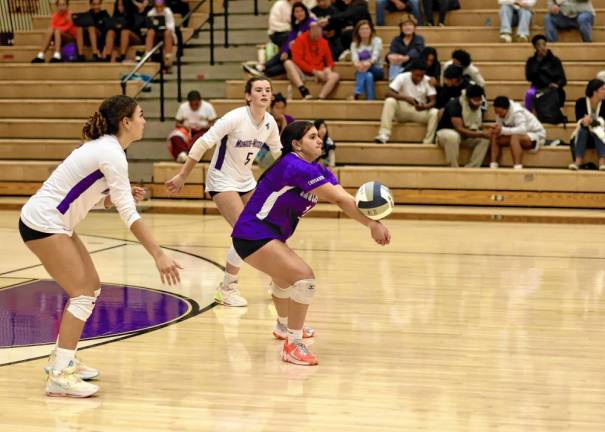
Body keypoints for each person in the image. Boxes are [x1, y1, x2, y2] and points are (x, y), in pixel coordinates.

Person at [19, 95, 181, 398]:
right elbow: (128, 214)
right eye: (141, 115)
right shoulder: (111, 153)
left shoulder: (107, 149)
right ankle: (59, 375)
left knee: (91, 288)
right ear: (126, 122)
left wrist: (111, 196)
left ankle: (62, 357)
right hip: (43, 223)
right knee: (81, 295)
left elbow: (84, 194)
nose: (145, 121)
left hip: (54, 222)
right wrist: (158, 254)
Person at [231, 120, 391, 365]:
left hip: (267, 235)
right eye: (312, 136)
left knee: (283, 280)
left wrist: (371, 217)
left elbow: (344, 197)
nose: (319, 140)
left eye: (319, 136)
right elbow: (338, 199)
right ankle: (293, 344)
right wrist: (371, 224)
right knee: (304, 279)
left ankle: (284, 327)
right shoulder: (295, 166)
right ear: (296, 144)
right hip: (253, 233)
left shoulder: (318, 169)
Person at [165, 77, 283, 308]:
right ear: (248, 96)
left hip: (246, 181)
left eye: (268, 90)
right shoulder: (235, 118)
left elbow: (280, 156)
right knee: (245, 230)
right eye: (258, 90)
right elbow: (202, 143)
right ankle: (227, 288)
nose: (264, 93)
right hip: (222, 180)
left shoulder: (270, 123)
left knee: (268, 227)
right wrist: (183, 175)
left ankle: (274, 279)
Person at [375, 60, 438, 144]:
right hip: (403, 110)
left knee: (435, 112)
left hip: (419, 111)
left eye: (422, 75)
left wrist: (425, 106)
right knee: (390, 101)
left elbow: (433, 101)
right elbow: (388, 93)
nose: (419, 78)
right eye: (417, 75)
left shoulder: (427, 80)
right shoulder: (402, 77)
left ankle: (428, 142)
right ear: (411, 71)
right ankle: (383, 135)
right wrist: (405, 98)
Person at [436, 84, 490, 167]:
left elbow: (475, 124)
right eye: (475, 101)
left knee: (485, 139)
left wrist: (488, 128)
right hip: (447, 132)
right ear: (468, 99)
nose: (477, 104)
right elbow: (460, 129)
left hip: (465, 134)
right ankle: (453, 168)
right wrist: (482, 133)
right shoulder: (455, 105)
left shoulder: (481, 104)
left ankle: (472, 168)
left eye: (479, 100)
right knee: (452, 136)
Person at [284, 21, 340, 100]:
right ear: (309, 31)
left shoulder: (324, 42)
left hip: (318, 72)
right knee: (288, 63)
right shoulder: (300, 40)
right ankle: (303, 89)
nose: (317, 36)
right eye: (315, 33)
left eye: (319, 33)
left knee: (335, 76)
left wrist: (328, 69)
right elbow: (297, 60)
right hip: (303, 71)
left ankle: (321, 97)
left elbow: (329, 61)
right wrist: (313, 71)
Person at [489, 96, 546, 169]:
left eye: (500, 112)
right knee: (495, 136)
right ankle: (493, 166)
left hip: (536, 135)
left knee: (515, 137)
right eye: (496, 112)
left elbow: (522, 130)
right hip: (519, 135)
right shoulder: (499, 114)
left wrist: (502, 130)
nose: (498, 115)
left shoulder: (517, 112)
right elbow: (501, 129)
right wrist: (495, 130)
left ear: (507, 109)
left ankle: (517, 168)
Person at [168, 90, 217, 162]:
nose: (194, 107)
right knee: (175, 137)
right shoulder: (183, 107)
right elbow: (177, 123)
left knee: (198, 139)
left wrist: (203, 127)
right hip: (187, 130)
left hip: (202, 130)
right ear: (188, 102)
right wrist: (185, 127)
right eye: (192, 105)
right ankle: (184, 154)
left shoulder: (208, 107)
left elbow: (213, 124)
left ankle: (185, 154)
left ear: (200, 101)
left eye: (196, 104)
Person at [569, 79, 605, 170]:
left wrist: (592, 121)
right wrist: (585, 121)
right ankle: (578, 162)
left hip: (601, 137)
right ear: (595, 91)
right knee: (583, 130)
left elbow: (604, 120)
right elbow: (579, 121)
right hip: (584, 136)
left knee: (598, 130)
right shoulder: (580, 102)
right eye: (603, 89)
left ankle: (602, 162)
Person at [524, 34, 567, 111]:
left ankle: (556, 115)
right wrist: (539, 62)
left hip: (552, 88)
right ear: (535, 47)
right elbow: (529, 77)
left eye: (543, 44)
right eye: (539, 45)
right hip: (537, 87)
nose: (542, 47)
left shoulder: (555, 60)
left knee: (557, 94)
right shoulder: (531, 61)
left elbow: (563, 79)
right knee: (529, 94)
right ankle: (529, 115)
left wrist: (557, 84)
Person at [350, 20, 383, 100]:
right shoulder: (354, 44)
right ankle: (370, 100)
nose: (364, 31)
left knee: (365, 71)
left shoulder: (377, 41)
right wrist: (359, 64)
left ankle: (357, 92)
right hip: (362, 69)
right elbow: (355, 59)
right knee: (368, 76)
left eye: (367, 28)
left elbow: (375, 56)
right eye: (362, 29)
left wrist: (367, 64)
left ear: (371, 30)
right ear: (358, 31)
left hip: (376, 69)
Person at [386, 14, 424, 81]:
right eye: (404, 25)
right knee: (394, 63)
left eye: (410, 25)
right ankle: (394, 85)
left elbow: (417, 51)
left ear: (414, 27)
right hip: (398, 66)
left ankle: (395, 85)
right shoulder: (396, 39)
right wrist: (390, 56)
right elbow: (392, 51)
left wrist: (406, 58)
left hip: (412, 68)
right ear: (401, 28)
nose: (407, 27)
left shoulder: (419, 39)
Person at [145, 0, 176, 71]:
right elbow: (149, 25)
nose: (159, 9)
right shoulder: (151, 13)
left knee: (167, 32)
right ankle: (148, 55)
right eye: (157, 7)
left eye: (160, 7)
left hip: (166, 32)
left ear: (164, 6)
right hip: (155, 34)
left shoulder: (168, 12)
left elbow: (171, 26)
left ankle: (168, 56)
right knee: (150, 31)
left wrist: (163, 27)